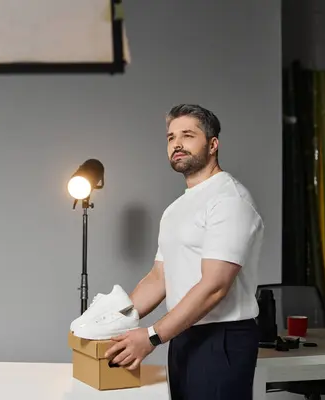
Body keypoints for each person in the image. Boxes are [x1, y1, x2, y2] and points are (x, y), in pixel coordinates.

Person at [104, 104, 264, 399]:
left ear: (213, 144)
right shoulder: (176, 209)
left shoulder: (229, 200)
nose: (176, 144)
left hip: (222, 337)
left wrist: (152, 336)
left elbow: (215, 287)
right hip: (182, 331)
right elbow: (158, 277)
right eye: (170, 137)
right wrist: (112, 320)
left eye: (187, 135)